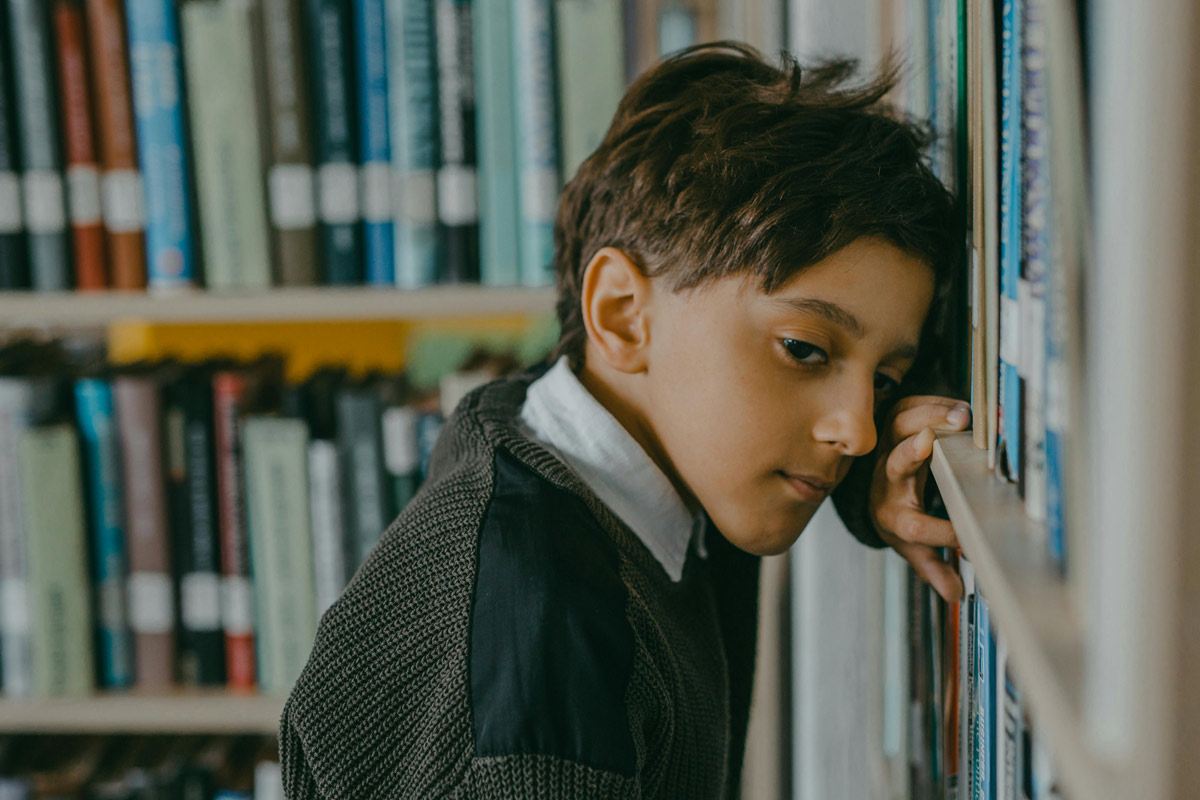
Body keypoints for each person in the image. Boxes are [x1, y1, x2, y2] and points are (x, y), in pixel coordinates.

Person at [279, 41, 971, 799]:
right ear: (622, 315)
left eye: (883, 383)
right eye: (805, 349)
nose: (857, 430)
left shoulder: (555, 444)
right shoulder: (547, 638)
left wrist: (884, 480)